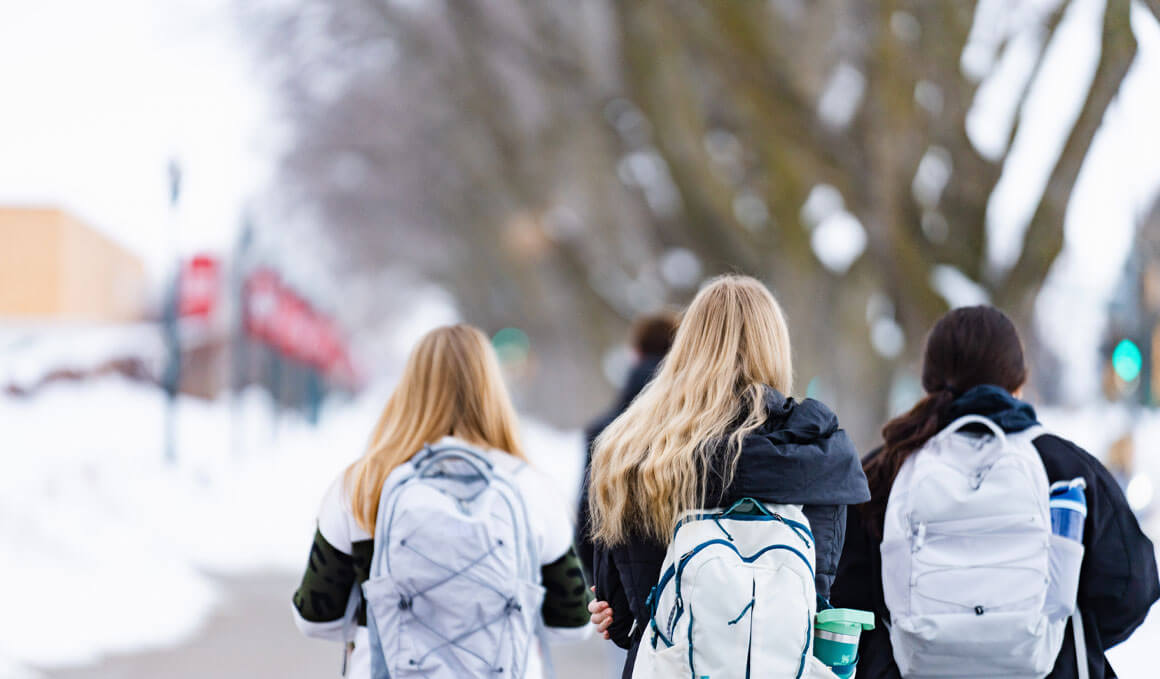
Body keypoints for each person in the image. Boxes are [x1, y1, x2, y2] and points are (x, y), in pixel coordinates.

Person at [831, 305, 1160, 679]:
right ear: (1018, 383)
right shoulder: (1067, 470)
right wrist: (1051, 634)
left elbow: (844, 597)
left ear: (928, 382)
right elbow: (1133, 589)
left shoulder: (884, 470)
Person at [586, 274, 871, 678]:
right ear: (775, 347)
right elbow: (825, 598)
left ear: (687, 347)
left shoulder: (636, 453)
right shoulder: (817, 453)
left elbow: (621, 616)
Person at [291, 324, 591, 678]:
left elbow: (315, 616)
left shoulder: (362, 484)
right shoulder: (530, 487)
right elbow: (573, 622)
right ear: (492, 390)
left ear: (410, 389)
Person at [576, 311, 679, 582]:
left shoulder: (605, 432)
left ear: (634, 354)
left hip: (624, 594)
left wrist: (600, 585)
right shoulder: (693, 425)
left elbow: (588, 522)